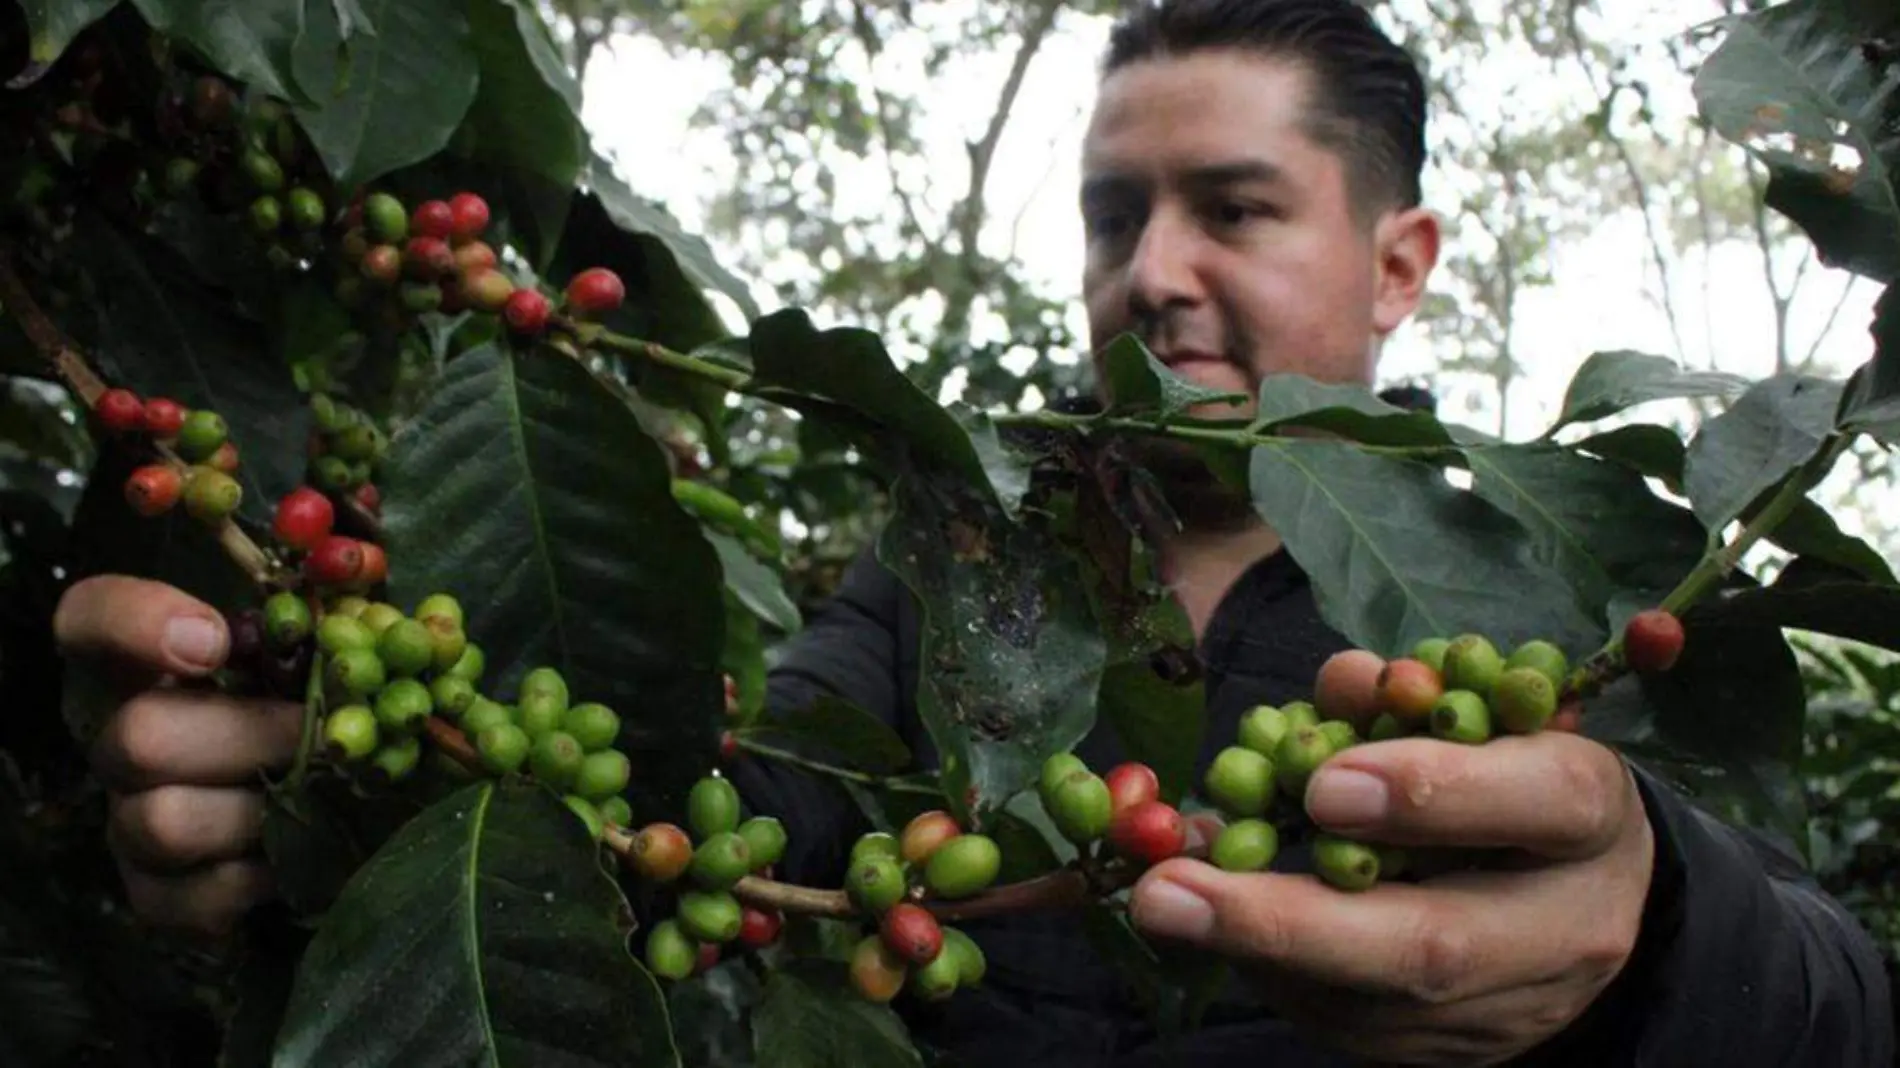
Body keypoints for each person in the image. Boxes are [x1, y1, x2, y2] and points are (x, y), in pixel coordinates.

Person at [49, 1, 1895, 1065]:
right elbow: (740, 822)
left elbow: (1843, 1003)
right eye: (1112, 215)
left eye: (1234, 210)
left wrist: (1665, 947)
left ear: (1401, 261)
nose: (1151, 277)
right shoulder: (963, 562)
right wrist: (341, 796)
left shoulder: (1552, 592)